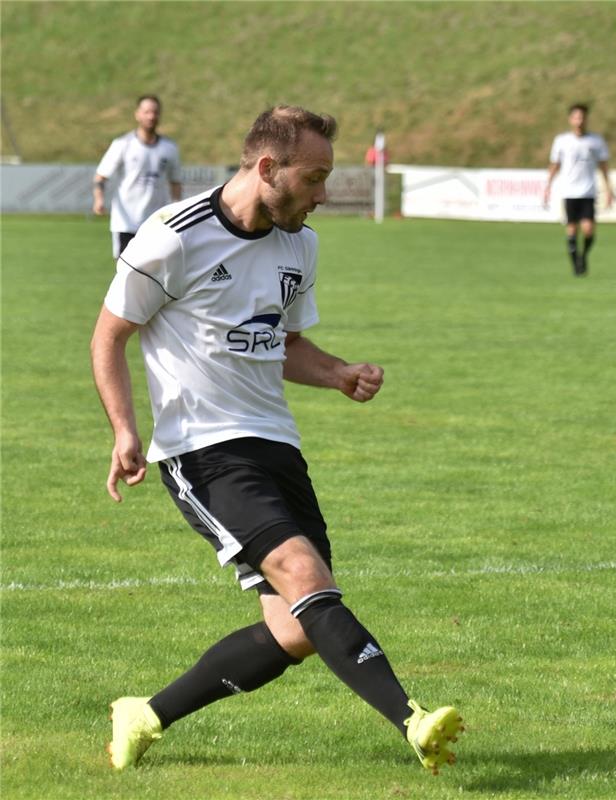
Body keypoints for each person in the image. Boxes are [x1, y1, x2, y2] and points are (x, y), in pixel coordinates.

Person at [90, 106, 463, 773]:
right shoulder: (173, 237)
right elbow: (109, 334)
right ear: (267, 168)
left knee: (295, 629)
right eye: (314, 177)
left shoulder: (300, 244)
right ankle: (412, 720)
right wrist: (125, 429)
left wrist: (338, 372)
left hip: (275, 444)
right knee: (304, 574)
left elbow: (282, 343)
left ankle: (145, 714)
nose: (323, 194)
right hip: (203, 448)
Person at [93, 95, 184, 259]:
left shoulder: (169, 148)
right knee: (125, 273)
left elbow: (175, 181)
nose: (151, 116)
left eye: (155, 112)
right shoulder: (123, 144)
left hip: (157, 222)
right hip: (126, 222)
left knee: (155, 274)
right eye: (147, 112)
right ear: (138, 114)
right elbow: (101, 176)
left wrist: (176, 207)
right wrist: (99, 200)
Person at [543, 103, 613, 276]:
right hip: (569, 191)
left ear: (586, 119)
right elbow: (554, 165)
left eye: (582, 117)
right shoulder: (562, 141)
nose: (579, 120)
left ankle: (583, 255)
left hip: (588, 191)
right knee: (572, 229)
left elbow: (603, 166)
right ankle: (576, 264)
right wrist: (547, 186)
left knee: (589, 229)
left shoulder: (595, 141)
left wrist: (609, 188)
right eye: (576, 117)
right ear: (570, 119)